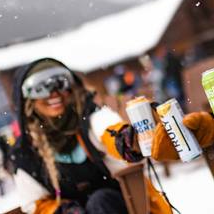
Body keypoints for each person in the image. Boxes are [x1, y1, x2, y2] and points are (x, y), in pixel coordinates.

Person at [11, 58, 170, 214]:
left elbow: (110, 132)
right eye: (41, 88)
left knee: (100, 201)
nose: (54, 93)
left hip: (125, 206)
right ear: (28, 100)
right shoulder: (26, 151)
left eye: (61, 83)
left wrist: (127, 141)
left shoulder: (91, 118)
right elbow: (35, 203)